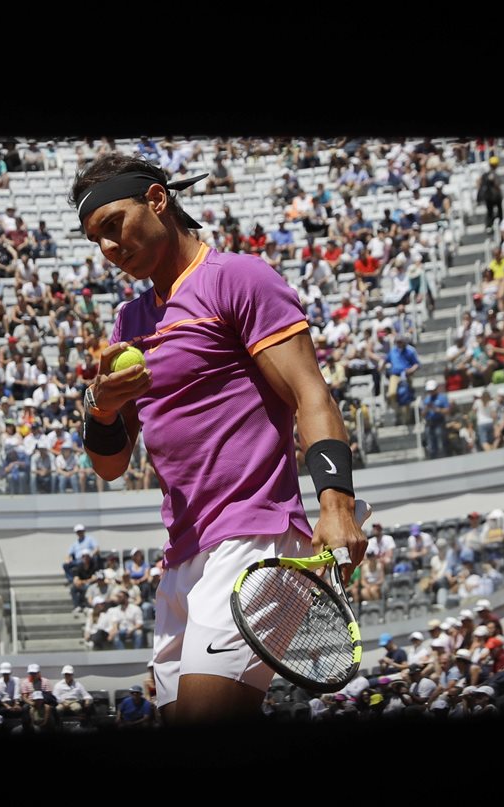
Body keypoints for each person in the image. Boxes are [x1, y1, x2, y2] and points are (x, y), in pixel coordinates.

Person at [72, 155, 365, 724]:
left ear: (157, 200)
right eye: (95, 238)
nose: (108, 248)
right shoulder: (130, 323)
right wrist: (101, 409)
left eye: (113, 224)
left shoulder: (238, 278)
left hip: (256, 540)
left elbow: (312, 395)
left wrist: (337, 505)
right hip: (184, 553)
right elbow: (109, 464)